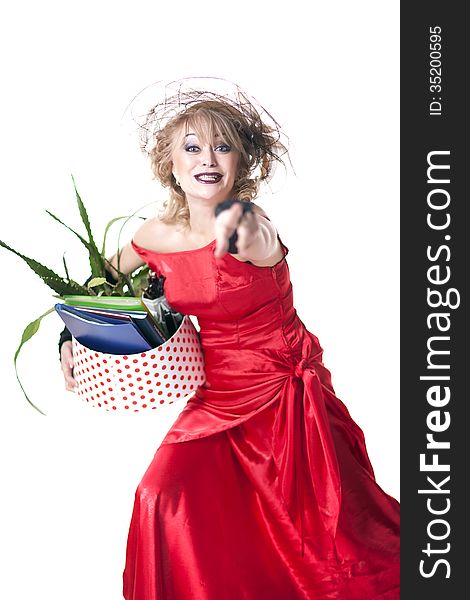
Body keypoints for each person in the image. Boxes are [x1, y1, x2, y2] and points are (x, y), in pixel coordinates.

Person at [60, 84, 400, 599]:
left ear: (242, 161)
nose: (208, 158)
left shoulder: (249, 223)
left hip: (285, 394)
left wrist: (237, 226)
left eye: (223, 147)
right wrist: (68, 338)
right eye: (192, 147)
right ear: (168, 164)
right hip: (216, 394)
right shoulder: (154, 235)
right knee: (161, 493)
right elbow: (98, 287)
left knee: (325, 536)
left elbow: (257, 242)